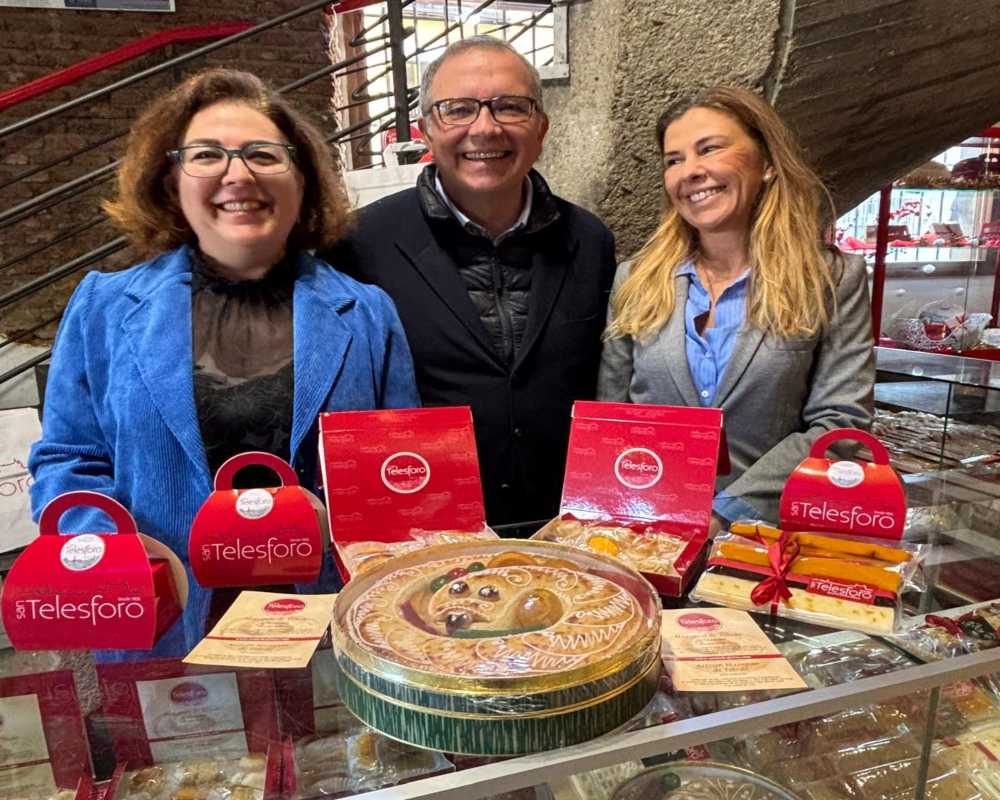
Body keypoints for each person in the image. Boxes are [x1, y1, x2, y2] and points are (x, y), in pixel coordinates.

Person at [28, 69, 419, 658]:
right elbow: (69, 460)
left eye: (264, 154)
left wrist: (341, 521)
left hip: (330, 632)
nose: (238, 175)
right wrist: (112, 551)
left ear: (304, 181)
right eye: (207, 154)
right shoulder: (103, 308)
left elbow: (403, 475)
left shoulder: (367, 313)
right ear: (171, 180)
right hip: (162, 631)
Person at [324, 36, 616, 528]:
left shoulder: (590, 241)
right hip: (424, 531)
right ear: (425, 131)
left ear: (541, 128)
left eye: (510, 107)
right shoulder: (360, 244)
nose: (485, 128)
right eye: (458, 109)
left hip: (570, 528)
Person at [598, 86, 874, 527]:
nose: (691, 171)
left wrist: (726, 514)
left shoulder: (832, 279)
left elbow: (840, 426)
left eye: (710, 149)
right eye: (674, 160)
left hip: (764, 542)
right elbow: (612, 421)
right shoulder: (635, 279)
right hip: (648, 531)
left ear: (766, 163)